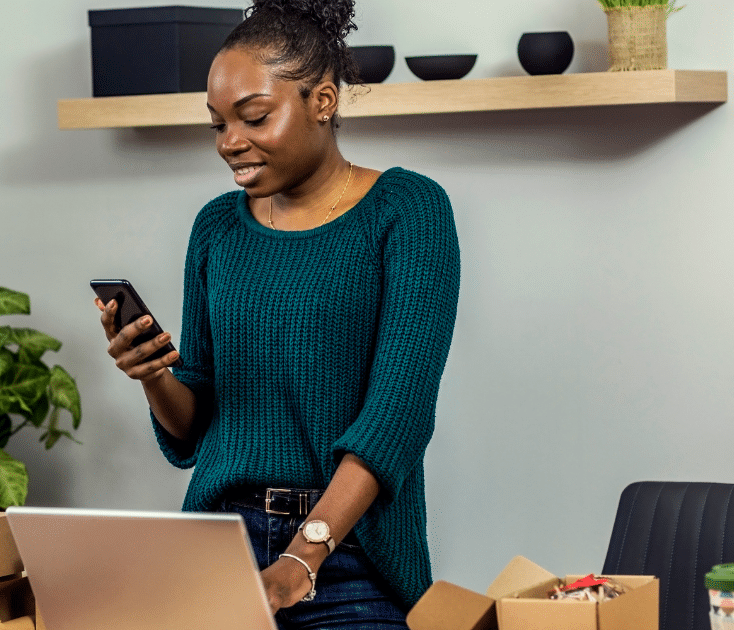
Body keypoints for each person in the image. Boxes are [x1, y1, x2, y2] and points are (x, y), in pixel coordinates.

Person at [94, 0, 460, 627]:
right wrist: (153, 374)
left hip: (352, 555)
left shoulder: (409, 212)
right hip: (219, 547)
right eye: (217, 125)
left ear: (323, 100)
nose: (231, 143)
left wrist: (302, 558)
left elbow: (395, 419)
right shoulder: (216, 229)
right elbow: (194, 427)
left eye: (254, 117)